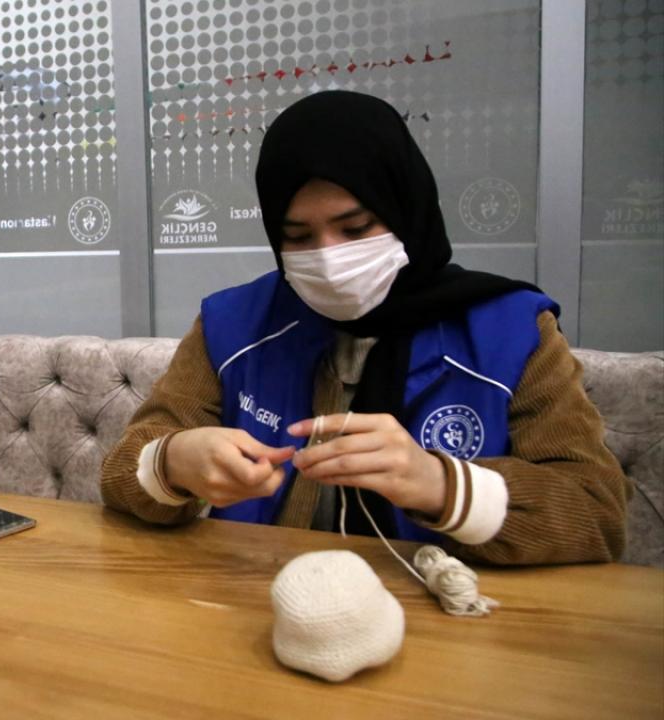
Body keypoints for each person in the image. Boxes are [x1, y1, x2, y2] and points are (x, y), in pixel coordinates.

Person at [101, 90, 629, 565]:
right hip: (258, 599)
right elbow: (122, 471)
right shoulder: (233, 323)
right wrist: (170, 462)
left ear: (405, 209)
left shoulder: (511, 329)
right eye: (298, 237)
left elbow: (597, 514)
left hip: (446, 615)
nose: (329, 260)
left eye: (355, 229)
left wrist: (441, 486)